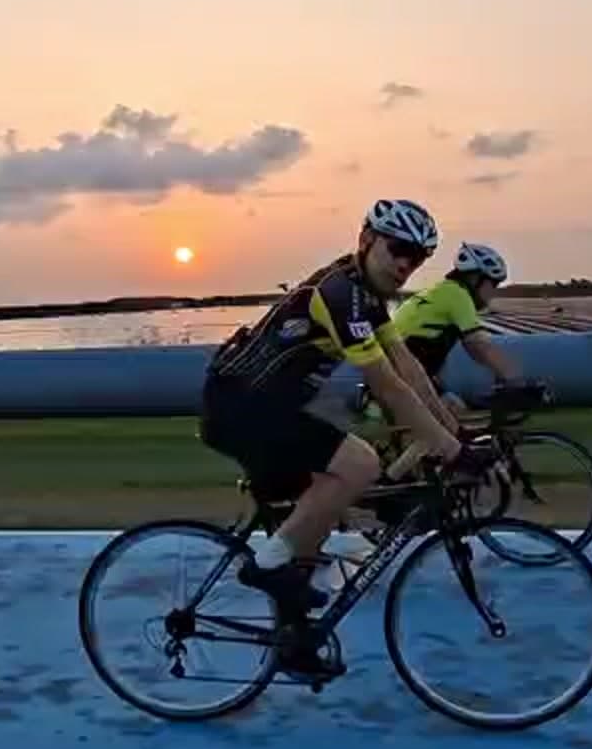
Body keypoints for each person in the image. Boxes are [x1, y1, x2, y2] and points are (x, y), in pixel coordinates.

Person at [200, 199, 485, 671]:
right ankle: (264, 566)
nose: (406, 264)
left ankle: (295, 644)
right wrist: (450, 451)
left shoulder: (367, 297)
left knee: (315, 520)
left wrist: (455, 434)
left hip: (268, 409)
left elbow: (408, 368)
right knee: (361, 463)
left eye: (418, 257)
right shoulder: (338, 294)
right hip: (243, 409)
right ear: (366, 240)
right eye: (398, 249)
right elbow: (387, 385)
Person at [390, 240, 523, 412]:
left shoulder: (441, 290)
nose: (494, 292)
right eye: (493, 284)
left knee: (454, 406)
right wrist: (515, 379)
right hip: (404, 374)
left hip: (399, 370)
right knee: (455, 415)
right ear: (476, 279)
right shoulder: (458, 295)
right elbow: (479, 345)